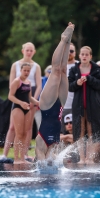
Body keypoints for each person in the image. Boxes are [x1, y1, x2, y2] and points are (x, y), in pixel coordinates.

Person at [35, 22, 75, 161]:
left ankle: (63, 39)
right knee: (63, 71)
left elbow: (41, 166)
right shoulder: (53, 147)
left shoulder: (40, 142)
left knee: (56, 71)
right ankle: (68, 40)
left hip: (47, 106)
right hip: (60, 107)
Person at [0, 42, 41, 162]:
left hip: (28, 100)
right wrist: (20, 102)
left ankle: (24, 155)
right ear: (23, 51)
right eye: (27, 50)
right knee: (14, 128)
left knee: (27, 130)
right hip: (17, 99)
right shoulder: (15, 67)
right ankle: (6, 154)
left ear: (34, 52)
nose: (29, 52)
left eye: (31, 50)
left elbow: (38, 86)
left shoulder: (35, 67)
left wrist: (35, 102)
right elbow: (11, 89)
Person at [68, 46, 100, 164]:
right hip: (78, 105)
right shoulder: (74, 70)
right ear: (79, 56)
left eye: (86, 54)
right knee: (79, 131)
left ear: (90, 56)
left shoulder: (97, 69)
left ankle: (90, 158)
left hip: (93, 105)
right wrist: (77, 83)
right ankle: (82, 158)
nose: (84, 56)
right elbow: (69, 86)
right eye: (82, 54)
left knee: (91, 131)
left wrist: (89, 78)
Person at [8, 62, 39, 164]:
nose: (26, 72)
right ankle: (16, 158)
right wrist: (21, 103)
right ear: (20, 70)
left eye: (28, 71)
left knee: (25, 133)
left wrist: (38, 102)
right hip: (18, 108)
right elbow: (10, 96)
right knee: (19, 133)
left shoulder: (29, 82)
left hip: (27, 108)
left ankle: (22, 158)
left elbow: (29, 97)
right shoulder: (16, 81)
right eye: (24, 70)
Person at [60, 43, 79, 134]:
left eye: (71, 51)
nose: (69, 53)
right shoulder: (59, 67)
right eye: (67, 51)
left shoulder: (79, 66)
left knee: (78, 131)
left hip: (77, 104)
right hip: (63, 104)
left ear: (75, 53)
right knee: (63, 132)